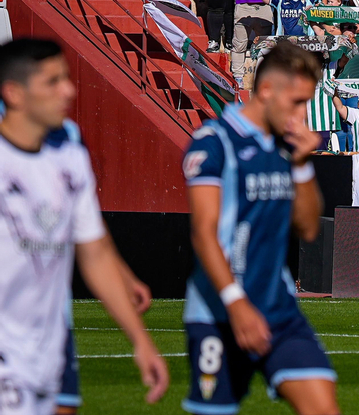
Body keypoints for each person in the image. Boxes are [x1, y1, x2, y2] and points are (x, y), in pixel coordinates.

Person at [0, 38, 169, 413]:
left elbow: (92, 251)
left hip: (47, 351)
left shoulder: (70, 157)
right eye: (53, 82)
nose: (69, 91)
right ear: (13, 93)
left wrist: (140, 341)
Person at [182, 40, 335, 415]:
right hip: (220, 311)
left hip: (278, 308)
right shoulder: (215, 142)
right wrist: (236, 303)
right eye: (297, 102)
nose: (301, 115)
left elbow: (308, 228)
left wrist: (300, 165)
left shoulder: (285, 147)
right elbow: (204, 232)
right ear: (266, 91)